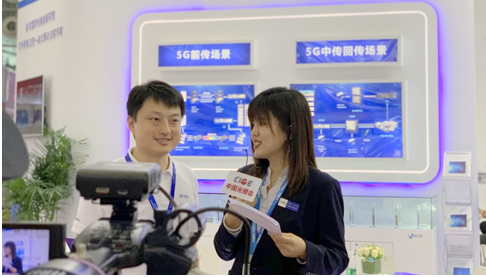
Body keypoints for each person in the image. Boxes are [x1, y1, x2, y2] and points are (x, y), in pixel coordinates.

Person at [214, 87, 349, 275]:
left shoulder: (321, 186)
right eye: (253, 124)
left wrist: (304, 251)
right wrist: (232, 222)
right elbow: (224, 252)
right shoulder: (246, 177)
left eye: (262, 123)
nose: (254, 132)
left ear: (291, 130)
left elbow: (338, 259)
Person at [72, 80, 199, 236]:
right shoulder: (105, 178)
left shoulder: (187, 175)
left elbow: (191, 239)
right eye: (155, 119)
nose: (166, 130)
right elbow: (82, 242)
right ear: (132, 124)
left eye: (174, 120)